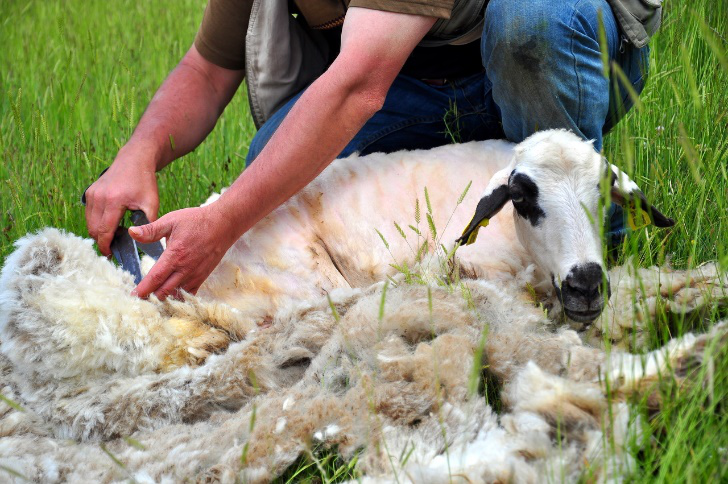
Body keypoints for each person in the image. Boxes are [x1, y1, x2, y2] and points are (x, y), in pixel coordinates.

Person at [83, 0, 662, 300]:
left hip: (546, 43)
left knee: (531, 22)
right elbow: (209, 69)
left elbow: (359, 84)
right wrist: (138, 153)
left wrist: (223, 220)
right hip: (411, 74)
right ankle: (443, 226)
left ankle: (583, 238)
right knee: (272, 166)